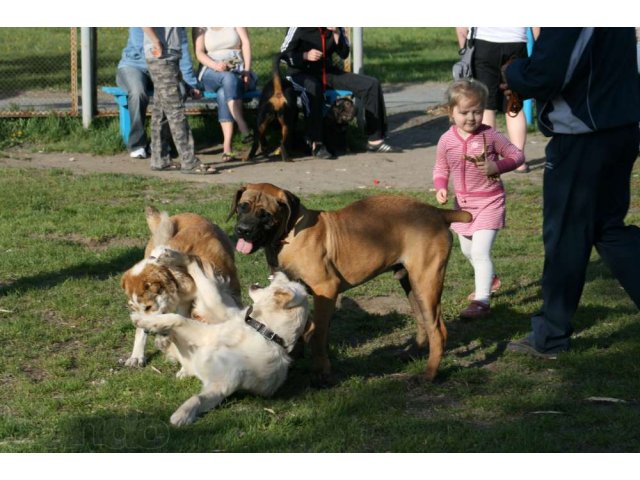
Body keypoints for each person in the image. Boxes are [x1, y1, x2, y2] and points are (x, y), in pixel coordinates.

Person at [503, 27, 640, 358]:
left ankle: (550, 337)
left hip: (583, 135)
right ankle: (550, 333)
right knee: (608, 229)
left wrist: (513, 72)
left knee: (565, 237)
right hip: (618, 127)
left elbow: (547, 74)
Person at [433, 79, 524, 319]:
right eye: (464, 112)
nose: (472, 117)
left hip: (490, 202)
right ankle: (490, 278)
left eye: (477, 111)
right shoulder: (446, 140)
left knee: (481, 252)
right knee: (467, 251)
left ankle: (481, 301)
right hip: (462, 205)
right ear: (450, 112)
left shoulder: (491, 135)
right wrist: (441, 186)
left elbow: (517, 155)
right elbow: (440, 168)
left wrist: (497, 165)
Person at [280, 27, 401, 159]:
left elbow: (344, 54)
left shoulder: (337, 27)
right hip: (300, 73)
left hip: (328, 72)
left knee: (371, 84)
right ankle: (316, 143)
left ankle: (375, 139)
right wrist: (305, 55)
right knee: (314, 88)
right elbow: (283, 55)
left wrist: (337, 33)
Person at [455, 27, 539, 173]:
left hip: (485, 44)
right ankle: (518, 161)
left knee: (487, 106)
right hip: (516, 42)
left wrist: (464, 48)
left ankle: (489, 159)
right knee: (514, 104)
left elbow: (462, 27)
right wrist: (539, 46)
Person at [116, 27, 201, 159]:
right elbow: (142, 46)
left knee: (179, 90)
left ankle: (160, 143)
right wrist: (159, 47)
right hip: (135, 64)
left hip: (163, 65)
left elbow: (182, 48)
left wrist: (190, 82)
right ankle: (137, 143)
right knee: (138, 92)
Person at [142, 27, 216, 174]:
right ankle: (189, 161)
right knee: (176, 112)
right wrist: (156, 41)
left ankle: (160, 159)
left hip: (170, 56)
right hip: (161, 56)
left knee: (161, 111)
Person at [193, 27, 257, 162]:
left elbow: (246, 43)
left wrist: (246, 70)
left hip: (237, 69)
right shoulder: (200, 25)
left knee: (224, 91)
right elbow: (199, 52)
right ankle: (242, 125)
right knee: (228, 78)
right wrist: (215, 65)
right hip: (211, 70)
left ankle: (227, 146)